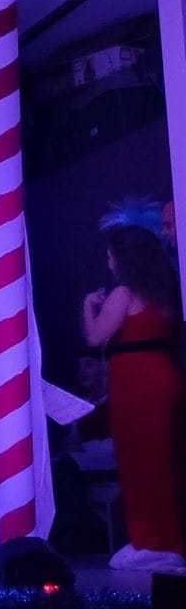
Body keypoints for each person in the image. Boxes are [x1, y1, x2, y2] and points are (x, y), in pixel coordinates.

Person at [83, 211, 185, 573]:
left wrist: (87, 306)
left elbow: (95, 337)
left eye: (111, 255)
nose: (108, 262)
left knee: (140, 461)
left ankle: (153, 541)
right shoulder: (169, 289)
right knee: (166, 460)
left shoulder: (124, 293)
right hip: (166, 373)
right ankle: (167, 538)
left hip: (136, 381)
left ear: (124, 258)